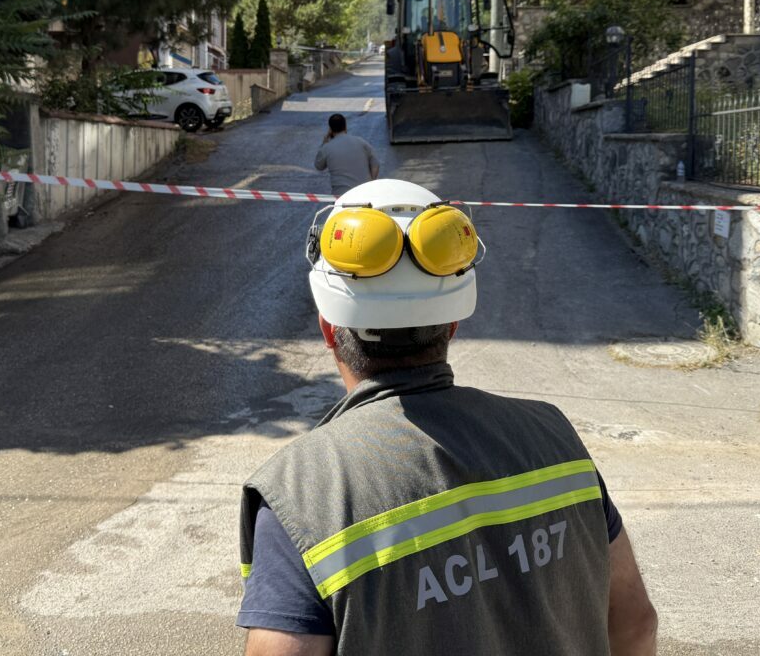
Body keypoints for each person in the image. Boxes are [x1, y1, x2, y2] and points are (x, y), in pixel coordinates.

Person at [236, 179, 658, 656]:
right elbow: (636, 624)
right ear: (452, 323)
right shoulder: (557, 438)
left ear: (329, 329)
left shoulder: (303, 494)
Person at [313, 114, 379, 197]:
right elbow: (376, 164)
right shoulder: (360, 142)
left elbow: (318, 166)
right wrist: (370, 183)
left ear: (330, 130)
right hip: (364, 193)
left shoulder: (327, 148)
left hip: (341, 196)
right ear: (345, 127)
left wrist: (324, 143)